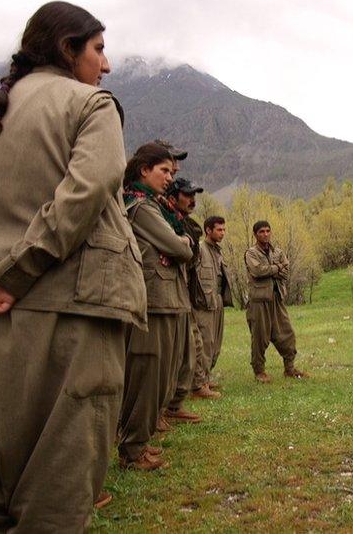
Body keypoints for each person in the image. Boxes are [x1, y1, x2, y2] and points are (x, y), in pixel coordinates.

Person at [0, 1, 145, 530]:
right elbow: (87, 191)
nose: (107, 64)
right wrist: (17, 274)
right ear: (68, 49)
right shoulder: (92, 106)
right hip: (69, 321)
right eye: (98, 48)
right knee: (57, 495)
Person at [117, 142, 193, 471]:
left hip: (167, 299)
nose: (169, 178)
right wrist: (185, 243)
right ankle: (132, 449)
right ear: (144, 169)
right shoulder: (140, 206)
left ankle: (140, 444)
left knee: (161, 376)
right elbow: (179, 247)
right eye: (164, 171)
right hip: (153, 301)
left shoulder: (153, 204)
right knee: (147, 376)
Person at [163, 177, 219, 418]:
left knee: (192, 346)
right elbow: (182, 252)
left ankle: (176, 403)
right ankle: (164, 409)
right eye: (188, 195)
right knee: (174, 351)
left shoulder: (183, 223)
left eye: (194, 195)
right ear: (173, 197)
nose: (193, 199)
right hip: (166, 293)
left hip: (184, 293)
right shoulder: (161, 216)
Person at [244, 221, 307, 382]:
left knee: (287, 333)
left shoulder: (277, 252)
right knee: (260, 336)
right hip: (259, 301)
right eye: (261, 232)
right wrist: (276, 268)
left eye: (267, 231)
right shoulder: (251, 253)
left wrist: (273, 269)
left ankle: (290, 368)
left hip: (277, 298)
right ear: (255, 234)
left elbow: (286, 271)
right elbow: (258, 271)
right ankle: (259, 371)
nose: (265, 234)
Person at [192, 215, 232, 395]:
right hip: (202, 304)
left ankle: (205, 379)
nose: (222, 233)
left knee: (215, 343)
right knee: (204, 343)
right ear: (208, 230)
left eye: (224, 229)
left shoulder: (217, 251)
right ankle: (198, 385)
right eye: (219, 229)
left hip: (217, 302)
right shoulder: (199, 249)